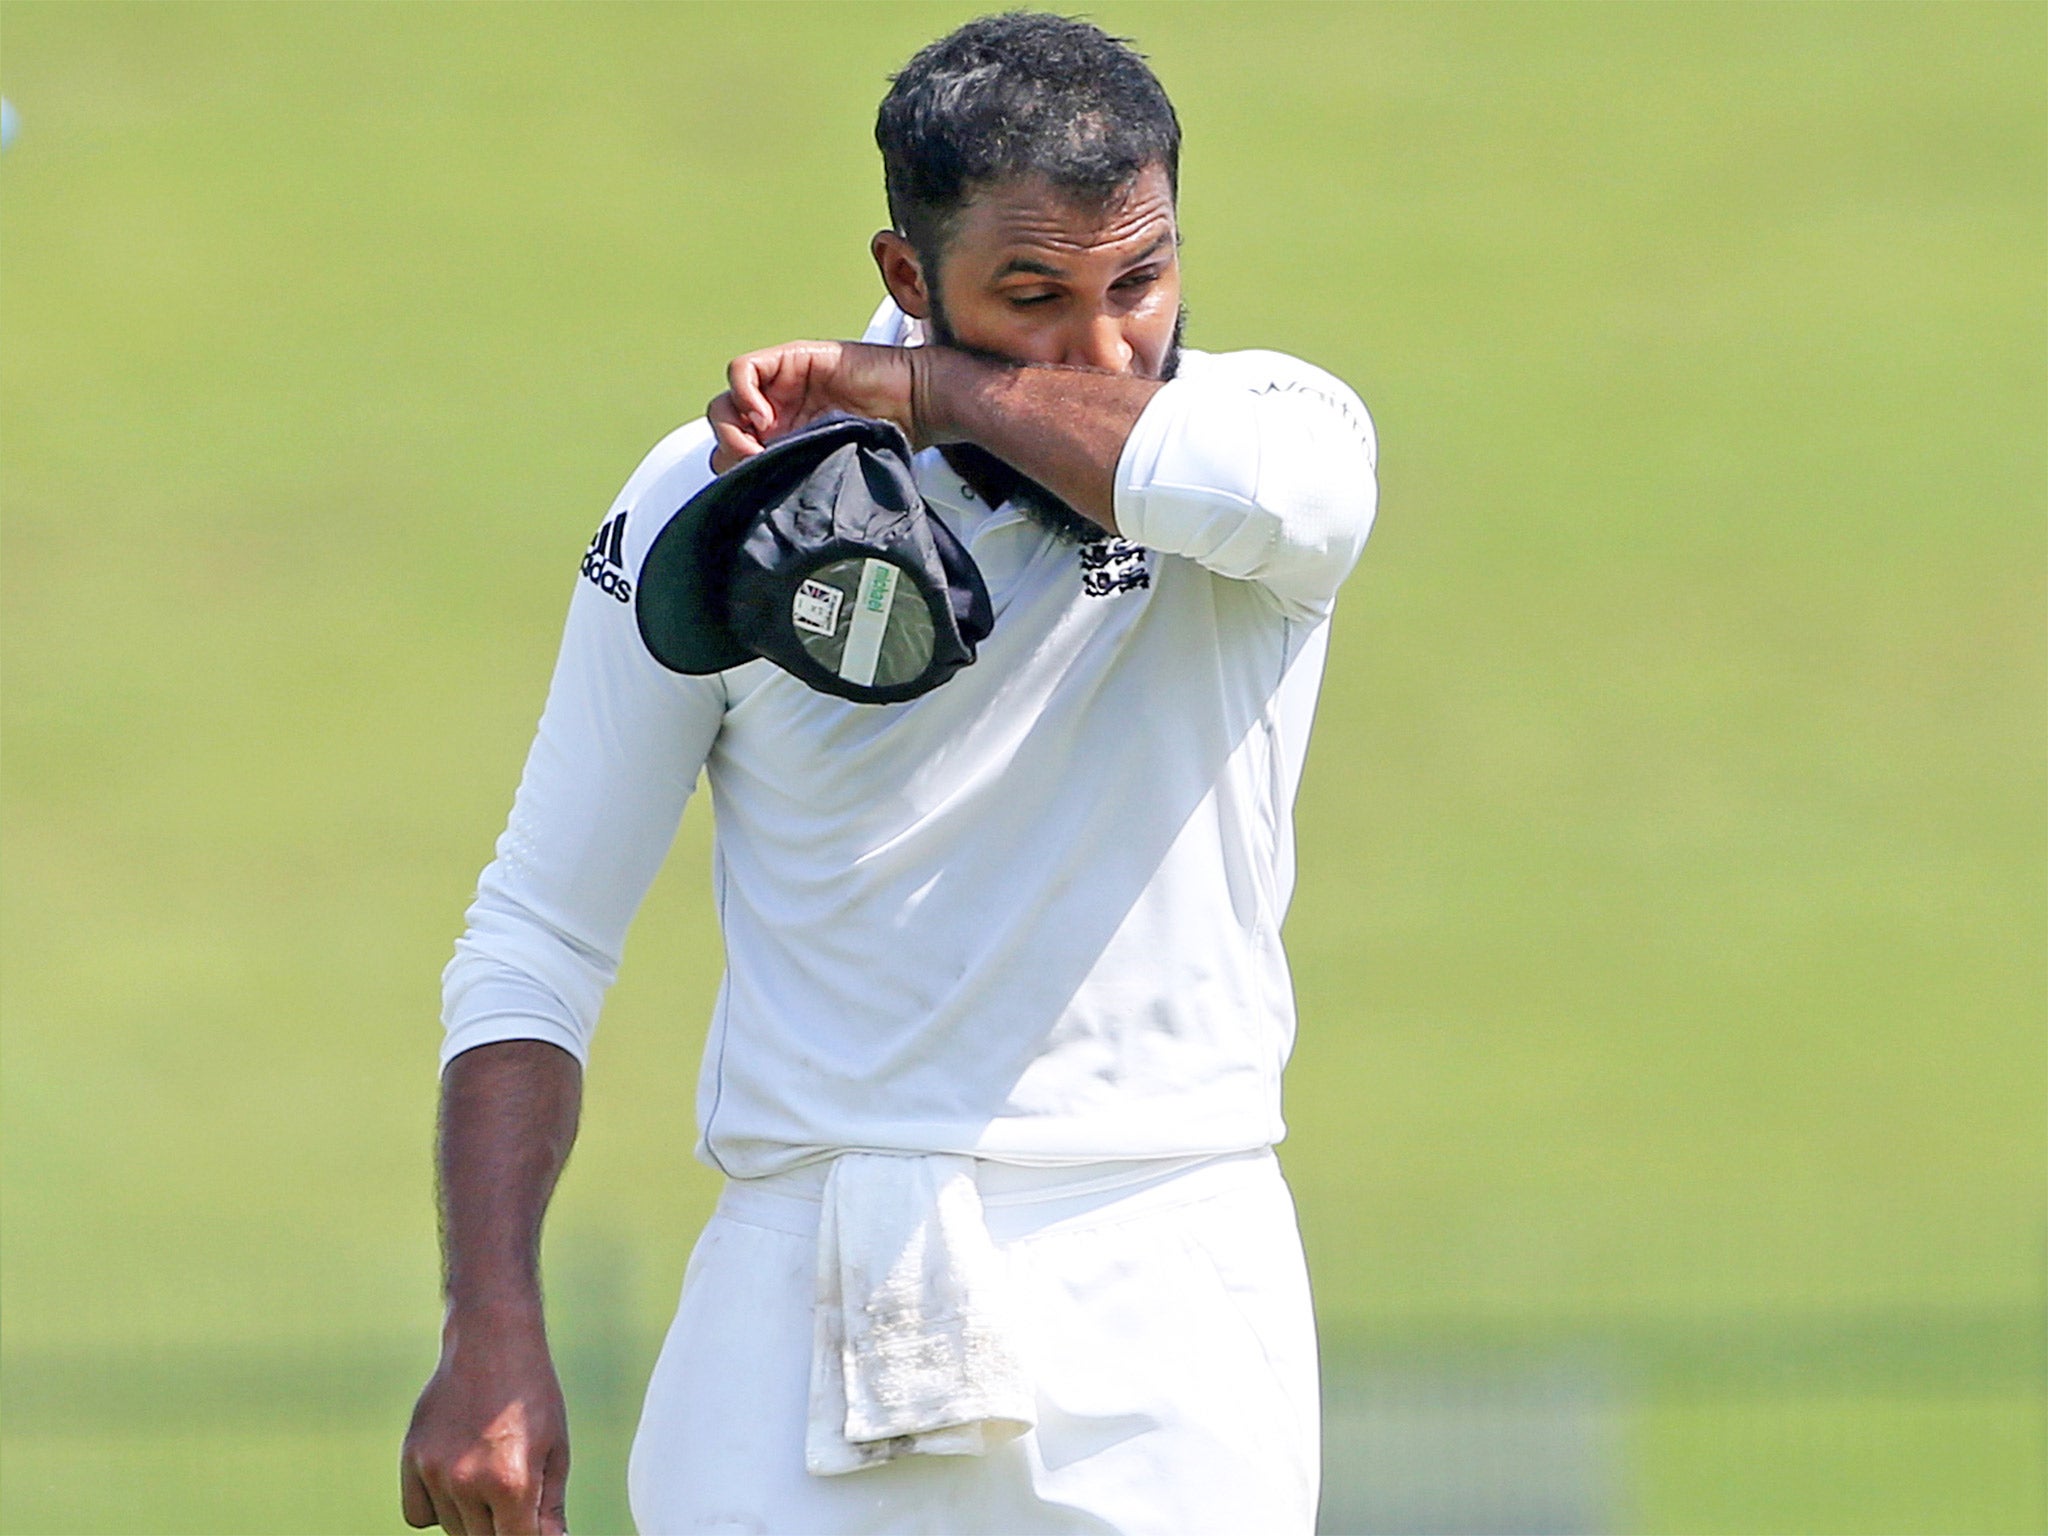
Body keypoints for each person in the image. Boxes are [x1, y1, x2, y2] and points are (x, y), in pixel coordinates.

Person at [400, 13, 1377, 1535]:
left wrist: (921, 392)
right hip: (801, 1276)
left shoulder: (1274, 432)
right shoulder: (721, 498)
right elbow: (538, 934)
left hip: (1169, 1268)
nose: (1108, 341)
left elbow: (1261, 490)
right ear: (909, 278)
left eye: (1142, 280)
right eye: (1034, 295)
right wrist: (489, 1326)